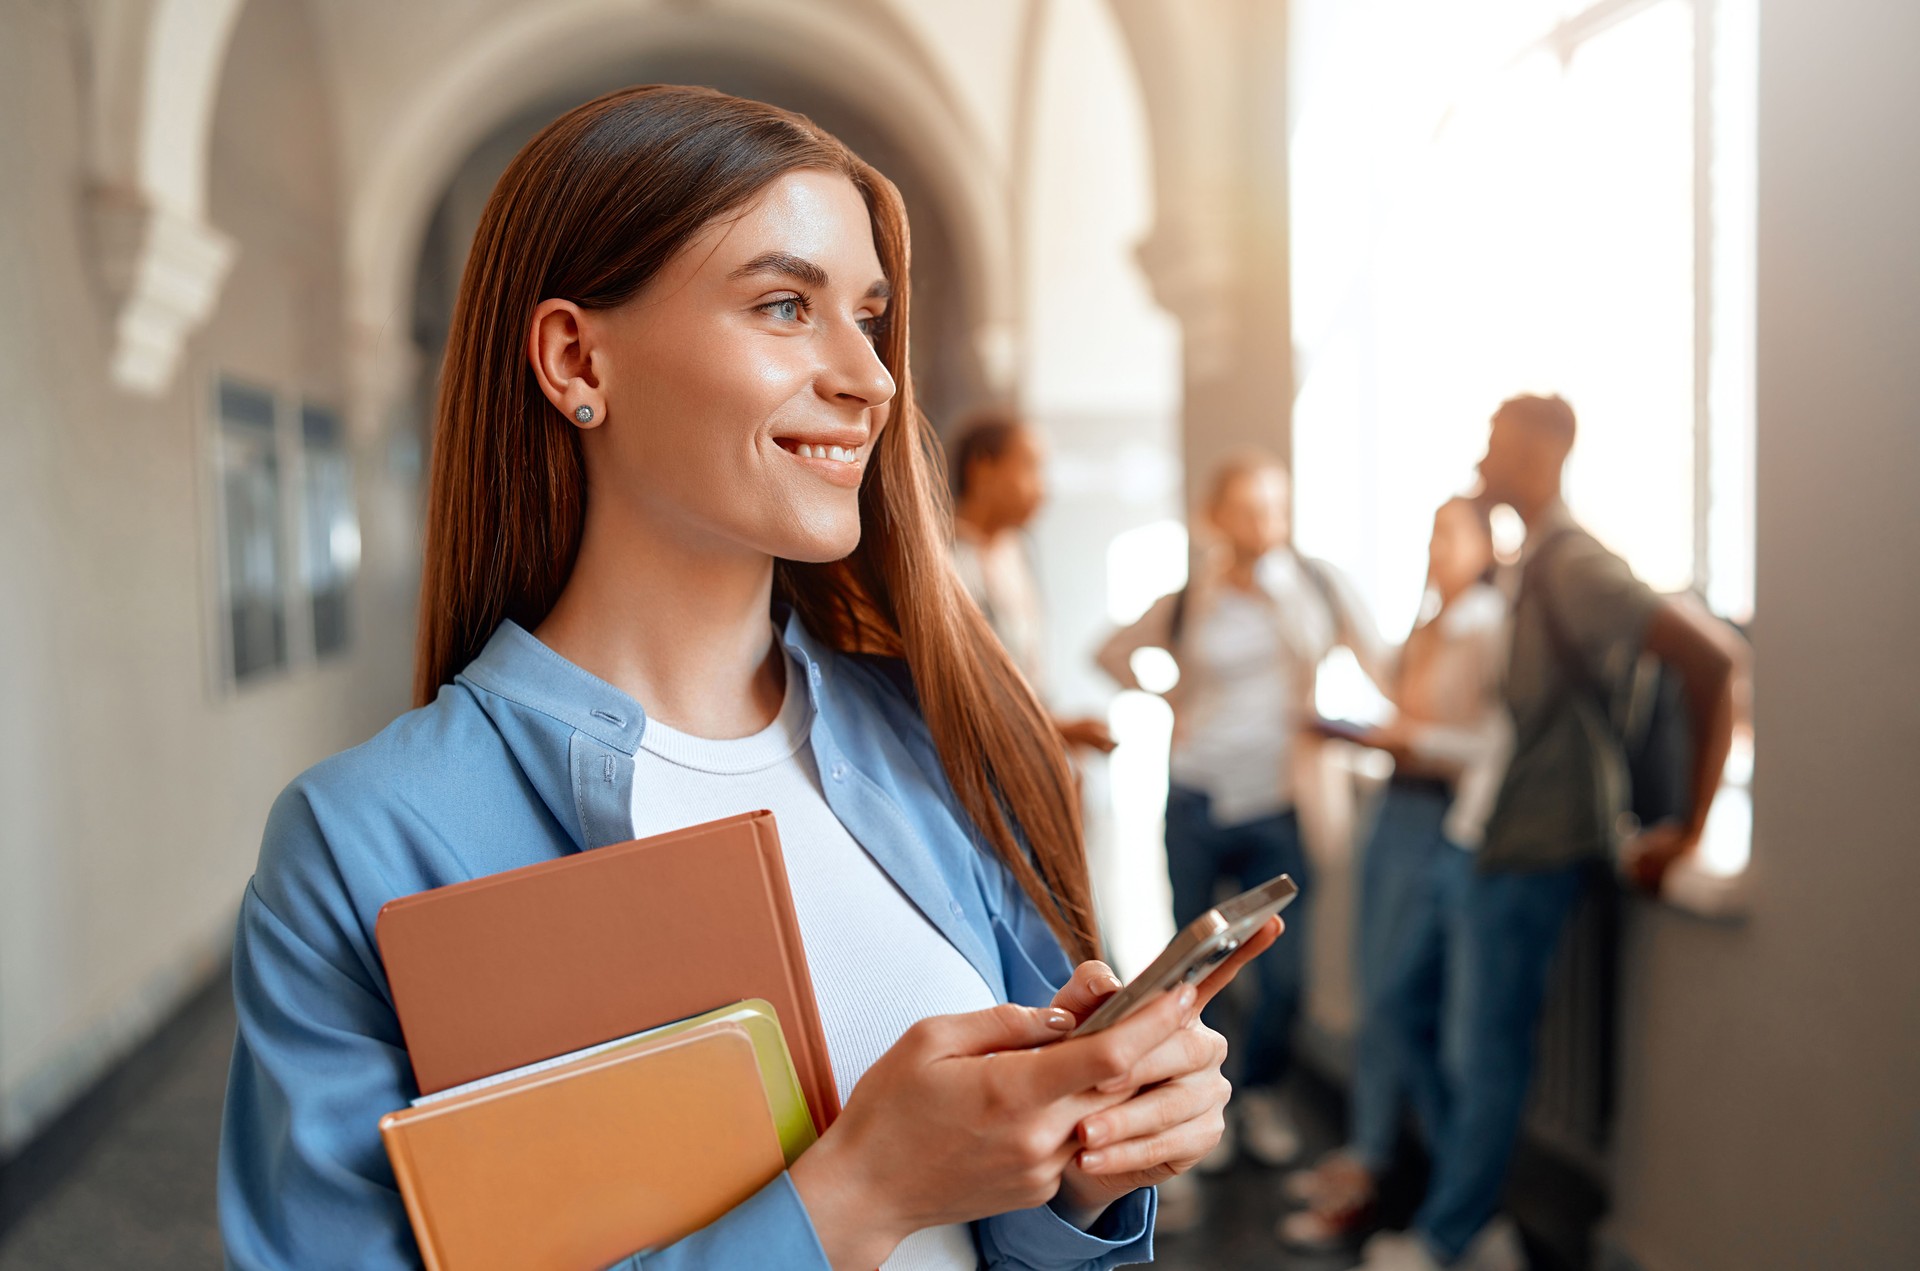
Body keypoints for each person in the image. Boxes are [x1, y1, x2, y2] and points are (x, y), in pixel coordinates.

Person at [218, 85, 1285, 1271]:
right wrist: (853, 1194)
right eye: (786, 306)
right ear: (578, 356)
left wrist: (1076, 1173)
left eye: (871, 319)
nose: (872, 378)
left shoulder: (935, 738)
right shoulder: (370, 841)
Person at [1356, 395, 1740, 1271]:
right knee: (1408, 1017)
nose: (1483, 461)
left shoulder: (1576, 564)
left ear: (1541, 452)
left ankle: (1452, 1237)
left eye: (1496, 445)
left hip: (1532, 850)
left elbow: (1714, 661)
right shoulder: (1525, 564)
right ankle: (1468, 1212)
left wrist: (1689, 829)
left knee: (1483, 1053)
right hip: (1482, 835)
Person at [1096, 449, 1390, 1173]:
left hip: (1279, 803)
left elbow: (1380, 662)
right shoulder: (1192, 594)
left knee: (1283, 975)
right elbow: (1110, 653)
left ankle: (1258, 1093)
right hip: (1197, 793)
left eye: (1277, 507)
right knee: (1192, 968)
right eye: (1252, 508)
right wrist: (1166, 698)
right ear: (1216, 516)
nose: (1267, 522)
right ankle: (1198, 1105)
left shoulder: (1313, 585)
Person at [1278, 497, 1510, 1251]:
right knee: (1377, 997)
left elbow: (1486, 743)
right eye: (1433, 531)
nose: (1436, 546)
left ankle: (1443, 1192)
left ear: (1487, 544)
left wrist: (1406, 737)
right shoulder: (1435, 619)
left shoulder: (1484, 624)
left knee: (1393, 1004)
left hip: (1435, 818)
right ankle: (1373, 1160)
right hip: (1394, 810)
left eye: (1452, 532)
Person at [949, 410, 1116, 755]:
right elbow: (960, 684)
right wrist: (1056, 729)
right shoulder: (939, 556)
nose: (1043, 488)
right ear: (982, 469)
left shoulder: (1019, 549)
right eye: (1029, 467)